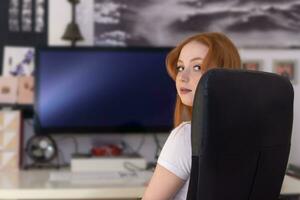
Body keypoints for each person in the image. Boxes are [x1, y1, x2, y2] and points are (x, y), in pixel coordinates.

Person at [142, 32, 242, 200]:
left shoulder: (188, 136)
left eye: (197, 67)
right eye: (181, 67)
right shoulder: (250, 132)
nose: (182, 76)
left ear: (224, 74)